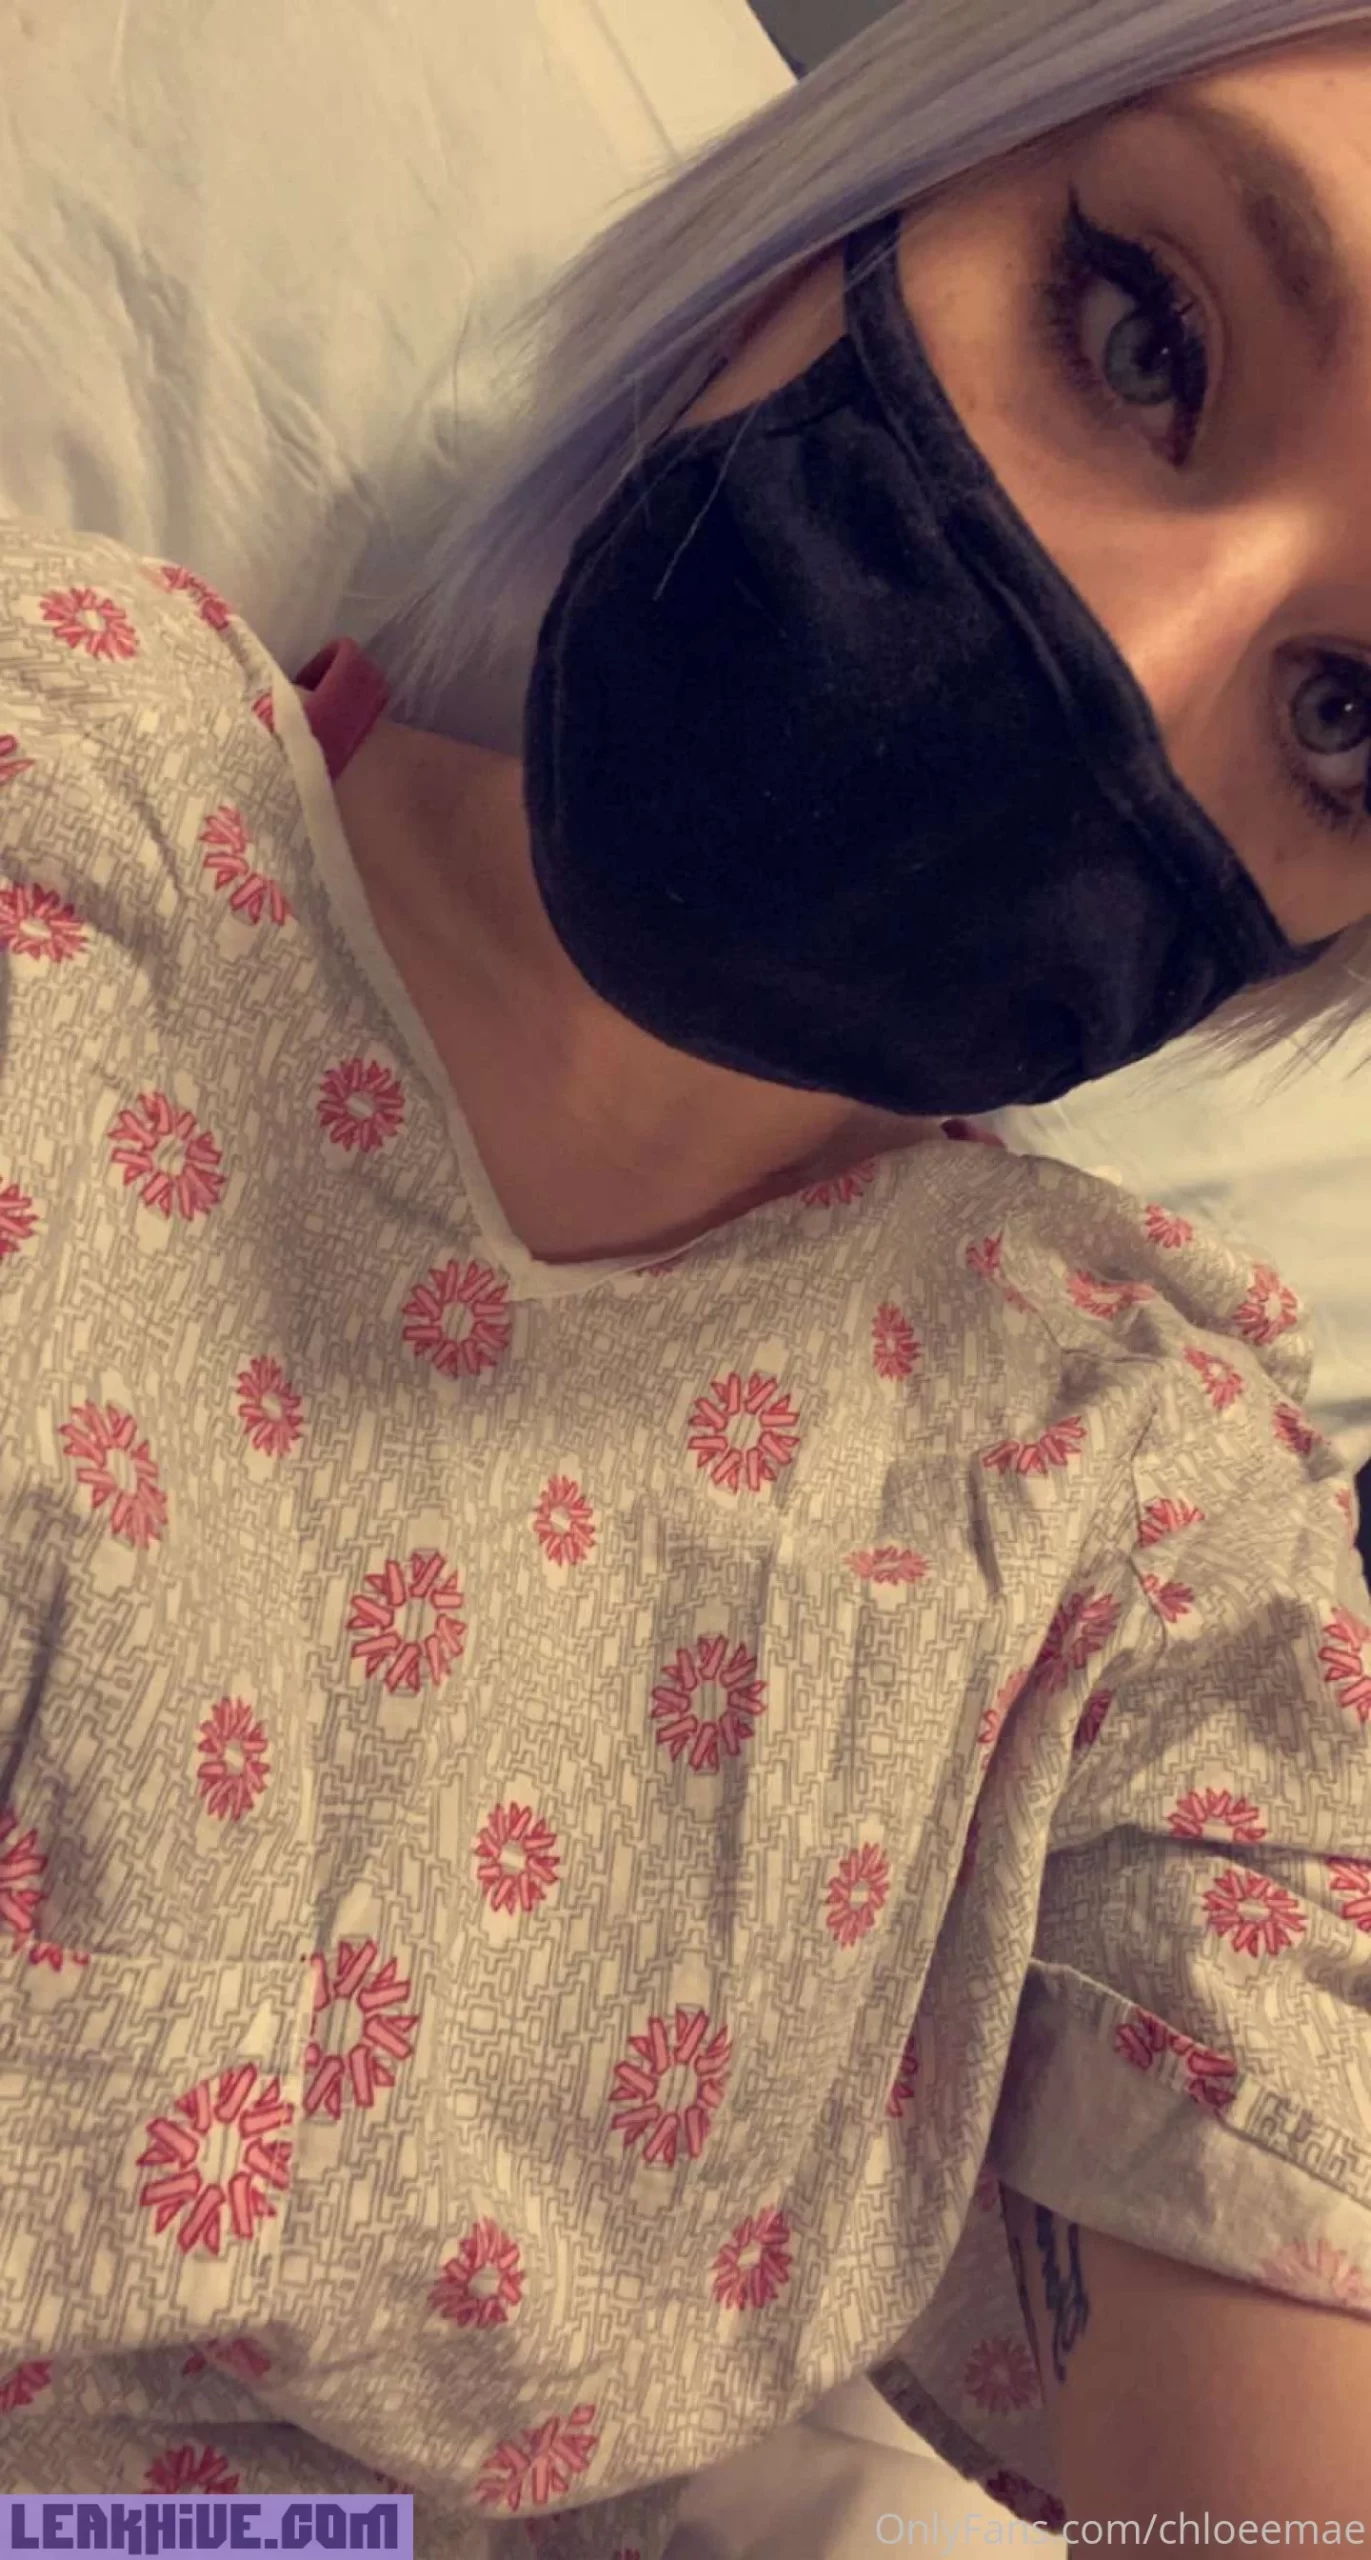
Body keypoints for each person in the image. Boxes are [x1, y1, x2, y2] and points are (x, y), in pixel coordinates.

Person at [3, 0, 1371, 2546]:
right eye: (1141, 335)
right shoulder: (52, 798)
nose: (1137, 660)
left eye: (1351, 718)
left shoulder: (1131, 1513)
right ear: (843, 216)